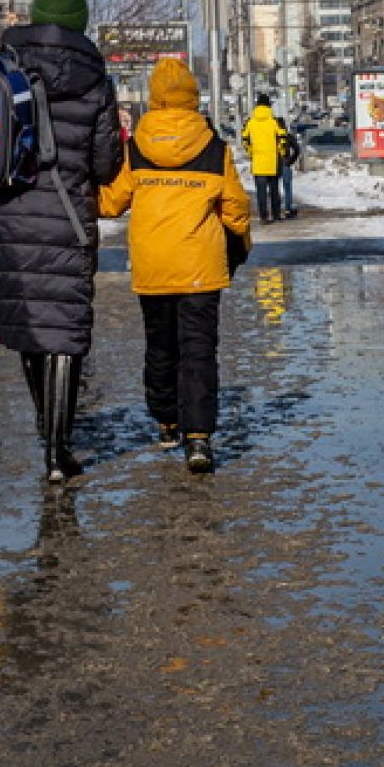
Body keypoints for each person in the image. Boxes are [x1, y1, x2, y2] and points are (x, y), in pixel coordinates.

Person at [0, 0, 121, 483]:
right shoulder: (96, 83)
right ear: (80, 21)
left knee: (29, 329)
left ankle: (46, 432)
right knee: (65, 333)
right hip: (68, 222)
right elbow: (106, 164)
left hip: (5, 221)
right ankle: (58, 449)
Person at [98, 57, 252, 474]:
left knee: (161, 346)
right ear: (193, 96)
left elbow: (110, 203)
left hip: (152, 264)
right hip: (200, 264)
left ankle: (167, 421)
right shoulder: (213, 147)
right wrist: (241, 240)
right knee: (199, 349)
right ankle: (199, 438)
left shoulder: (135, 149)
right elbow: (235, 207)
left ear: (154, 98)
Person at [240, 95, 291, 223]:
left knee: (261, 192)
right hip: (273, 162)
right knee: (274, 190)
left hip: (258, 162)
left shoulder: (250, 123)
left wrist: (252, 153)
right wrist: (282, 152)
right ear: (269, 106)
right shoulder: (274, 122)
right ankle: (276, 214)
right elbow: (283, 139)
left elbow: (245, 140)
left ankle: (264, 216)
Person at [274, 113, 301, 218]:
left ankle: (276, 208)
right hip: (286, 163)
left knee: (274, 187)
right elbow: (297, 149)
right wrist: (291, 161)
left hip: (274, 164)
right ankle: (288, 208)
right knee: (287, 187)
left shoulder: (273, 137)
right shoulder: (288, 136)